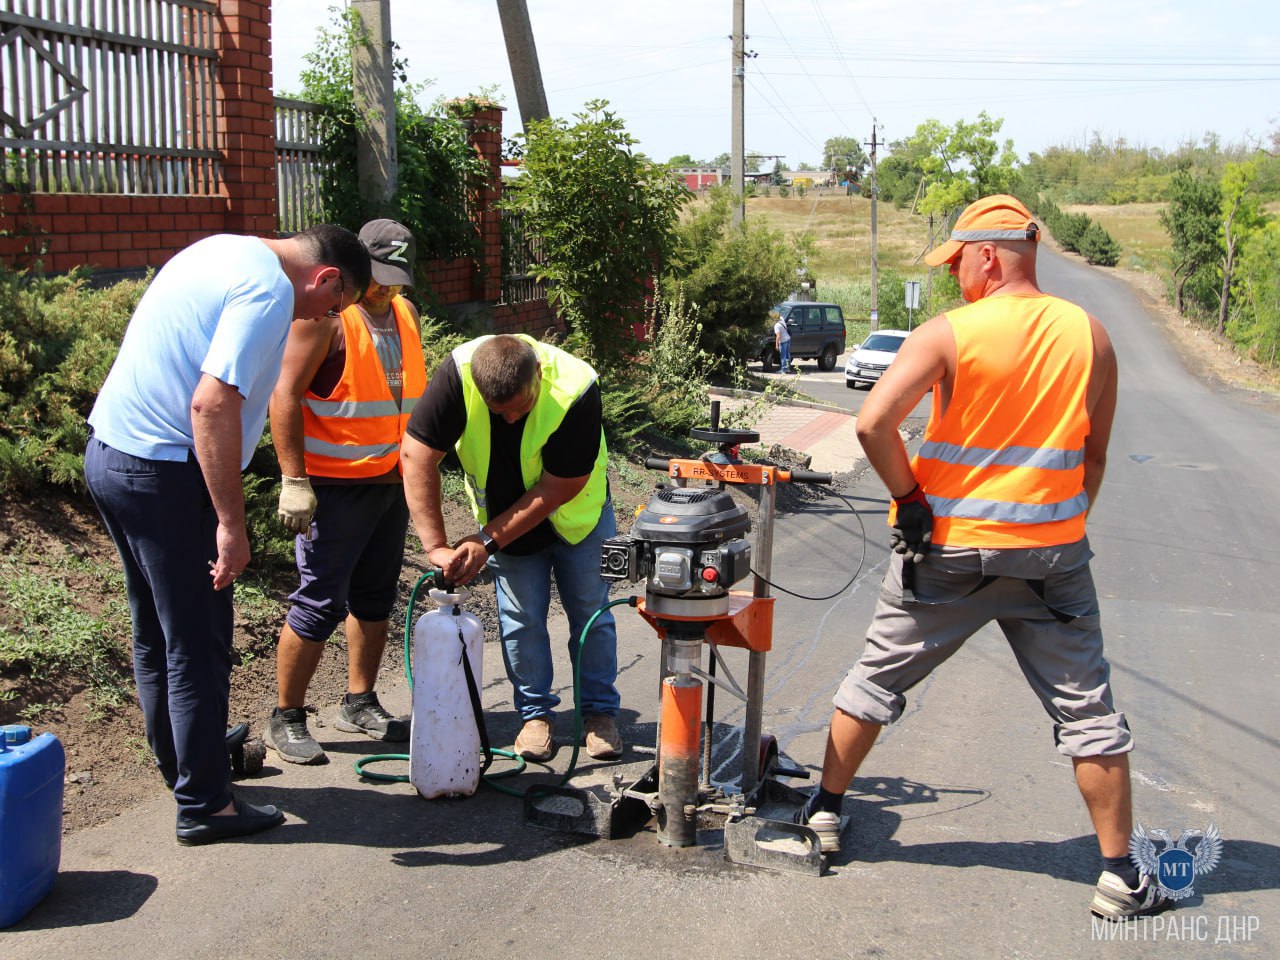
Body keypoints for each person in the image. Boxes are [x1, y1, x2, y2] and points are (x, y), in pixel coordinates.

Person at [798, 195, 1166, 922]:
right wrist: (1056, 525)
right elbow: (1093, 453)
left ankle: (824, 813)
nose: (955, 273)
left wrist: (908, 500)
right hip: (1052, 561)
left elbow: (874, 424)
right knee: (1087, 711)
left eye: (959, 260)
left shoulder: (949, 334)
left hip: (947, 552)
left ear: (989, 256)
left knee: (876, 676)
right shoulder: (1091, 335)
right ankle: (1121, 875)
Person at [85, 226, 371, 845]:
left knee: (156, 630)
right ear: (325, 278)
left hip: (111, 452)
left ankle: (188, 762)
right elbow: (212, 405)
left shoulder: (222, 249)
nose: (325, 318)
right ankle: (206, 805)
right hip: (163, 474)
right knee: (197, 642)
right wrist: (230, 525)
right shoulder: (269, 291)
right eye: (336, 305)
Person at [399, 334, 622, 762]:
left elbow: (561, 486)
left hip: (577, 517)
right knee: (520, 621)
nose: (511, 418)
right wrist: (435, 547)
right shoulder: (458, 376)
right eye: (499, 411)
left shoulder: (575, 387)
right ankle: (535, 717)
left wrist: (486, 540)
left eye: (520, 405)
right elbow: (416, 455)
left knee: (592, 614)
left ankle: (599, 716)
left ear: (537, 372)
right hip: (507, 525)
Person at [264, 220, 424, 764]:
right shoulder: (327, 319)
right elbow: (283, 395)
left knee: (376, 598)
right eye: (379, 277)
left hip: (391, 484)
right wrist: (293, 480)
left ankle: (359, 701)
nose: (386, 289)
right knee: (318, 602)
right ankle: (286, 715)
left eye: (397, 279)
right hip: (333, 490)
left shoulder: (406, 314)